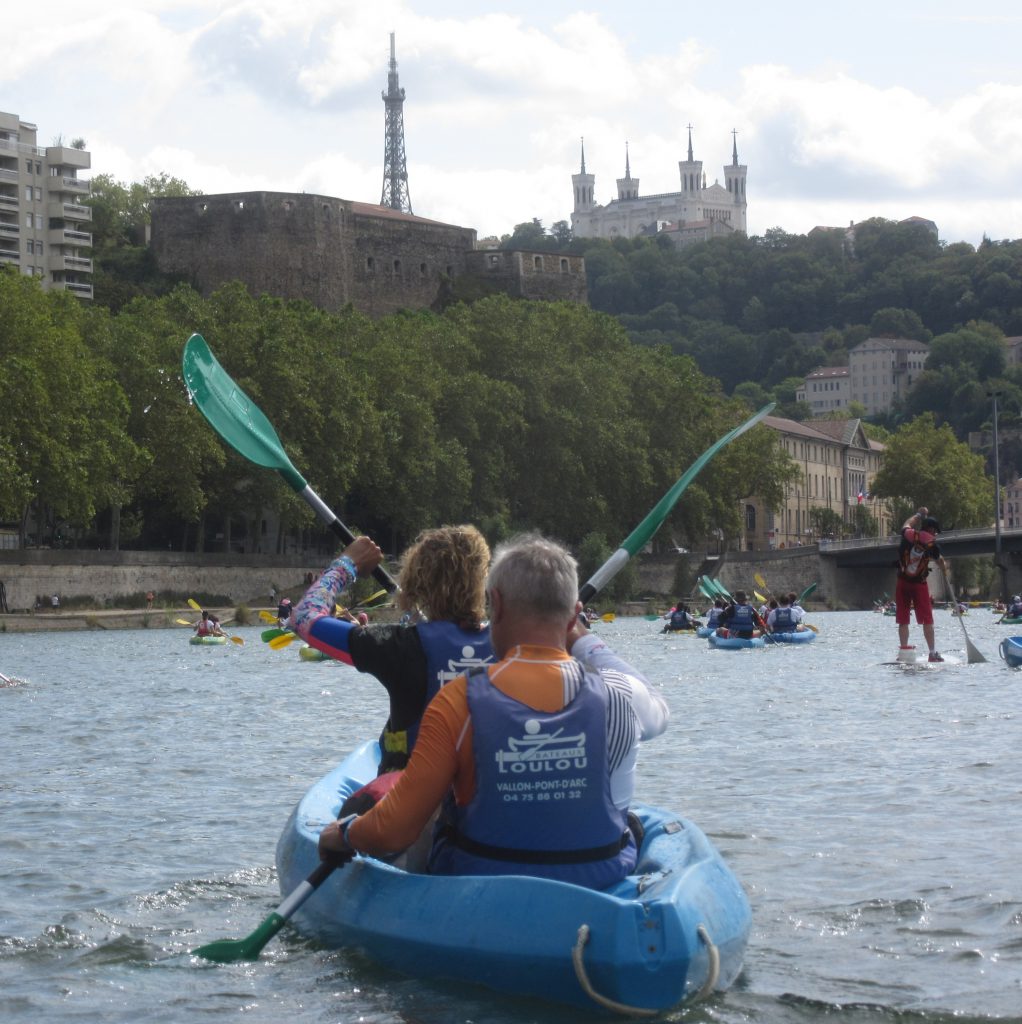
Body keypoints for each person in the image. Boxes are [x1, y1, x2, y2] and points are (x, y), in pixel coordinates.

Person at [318, 532, 670, 889]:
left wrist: (345, 834)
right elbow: (658, 708)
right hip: (601, 880)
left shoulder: (458, 700)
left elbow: (395, 830)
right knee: (632, 823)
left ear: (496, 604)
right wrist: (580, 638)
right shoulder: (622, 693)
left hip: (480, 883)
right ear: (575, 614)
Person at [293, 525, 495, 777]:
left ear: (415, 579)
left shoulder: (398, 646)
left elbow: (303, 617)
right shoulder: (514, 645)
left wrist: (347, 565)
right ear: (483, 581)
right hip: (483, 796)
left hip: (410, 804)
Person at [895, 507, 947, 662]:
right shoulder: (932, 545)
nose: (936, 534)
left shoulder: (910, 534)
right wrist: (944, 571)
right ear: (931, 530)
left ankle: (904, 652)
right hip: (919, 584)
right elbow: (940, 560)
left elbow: (906, 524)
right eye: (935, 531)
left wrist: (918, 515)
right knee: (927, 620)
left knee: (903, 619)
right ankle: (932, 653)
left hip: (902, 582)